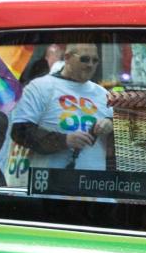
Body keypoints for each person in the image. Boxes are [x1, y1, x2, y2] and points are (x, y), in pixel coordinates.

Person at [10, 42, 114, 175]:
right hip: (49, 186)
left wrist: (110, 124)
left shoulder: (102, 93)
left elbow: (123, 139)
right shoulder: (40, 87)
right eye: (84, 59)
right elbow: (20, 131)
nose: (90, 65)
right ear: (67, 57)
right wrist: (64, 140)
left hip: (93, 186)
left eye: (95, 60)